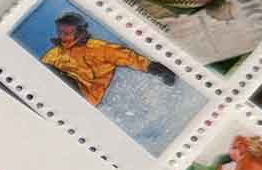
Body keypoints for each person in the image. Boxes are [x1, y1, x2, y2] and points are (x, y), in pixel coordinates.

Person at [40, 10, 176, 106]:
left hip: (84, 94)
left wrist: (158, 69)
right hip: (59, 91)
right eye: (60, 31)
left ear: (81, 31)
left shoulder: (99, 48)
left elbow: (128, 57)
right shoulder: (55, 53)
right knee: (45, 70)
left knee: (51, 72)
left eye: (67, 31)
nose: (62, 36)